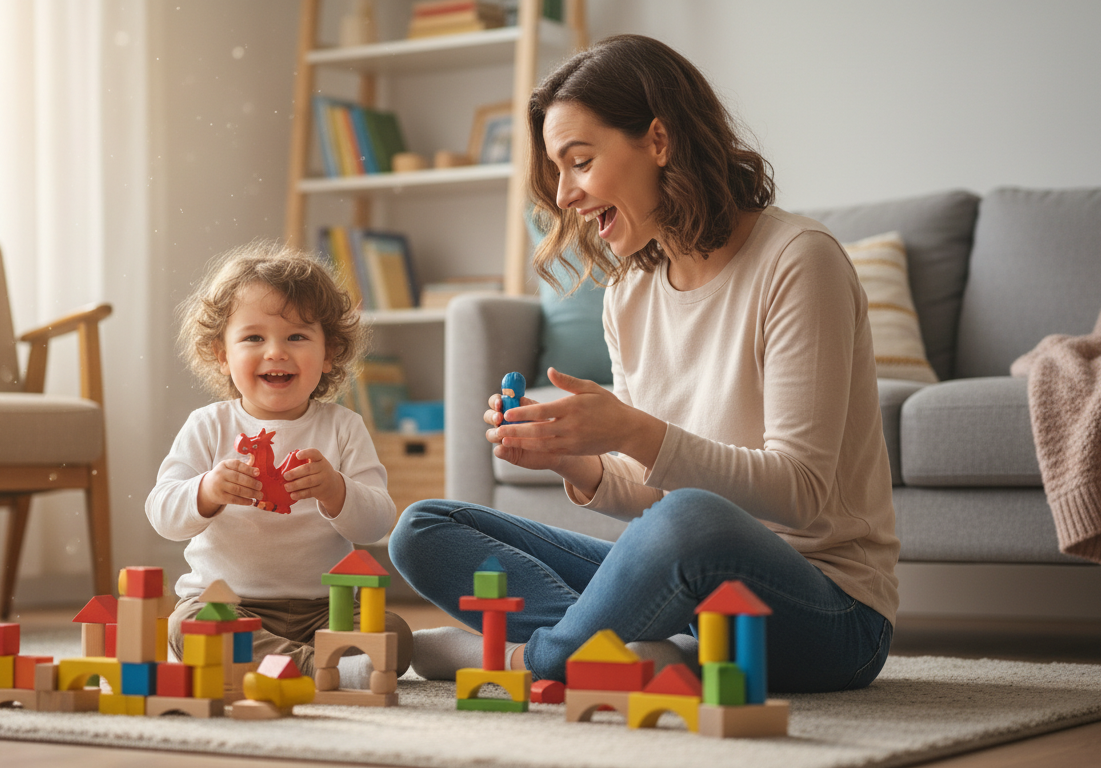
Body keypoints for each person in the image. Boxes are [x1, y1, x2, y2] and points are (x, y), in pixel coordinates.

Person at [389, 34, 898, 692]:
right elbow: (651, 497)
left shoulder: (799, 260)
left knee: (691, 517)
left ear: (658, 141)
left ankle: (527, 660)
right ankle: (637, 656)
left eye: (579, 161)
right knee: (424, 527)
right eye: (557, 171)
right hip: (691, 594)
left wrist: (632, 431)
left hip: (827, 613)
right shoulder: (629, 292)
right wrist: (573, 457)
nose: (565, 194)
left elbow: (800, 496)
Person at [146, 241, 412, 683]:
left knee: (394, 634)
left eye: (297, 337)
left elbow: (377, 524)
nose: (275, 352)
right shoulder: (208, 425)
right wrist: (207, 491)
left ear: (329, 354)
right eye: (253, 337)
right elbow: (163, 515)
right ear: (221, 354)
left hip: (328, 608)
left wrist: (336, 490)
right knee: (188, 626)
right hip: (229, 603)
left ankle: (286, 665)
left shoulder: (344, 427)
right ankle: (316, 668)